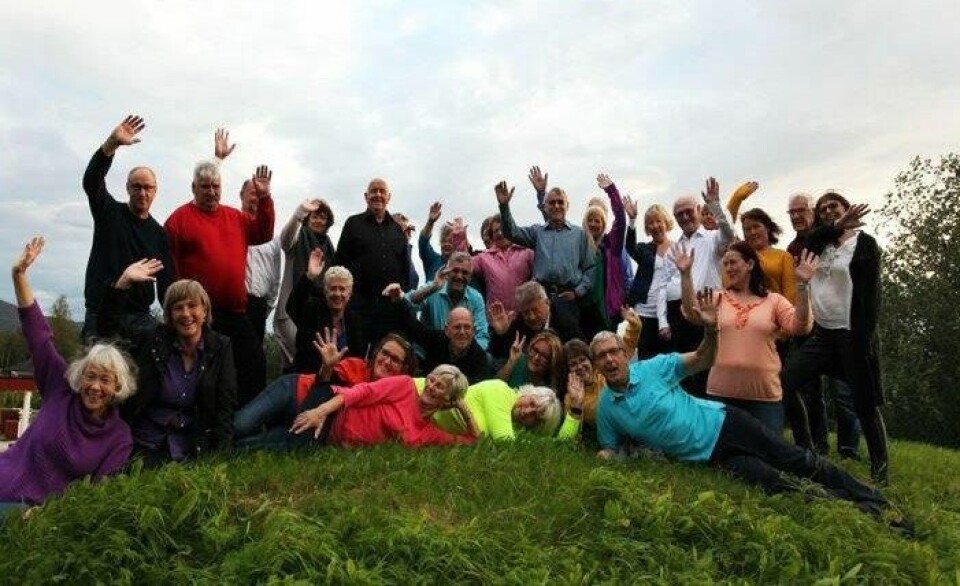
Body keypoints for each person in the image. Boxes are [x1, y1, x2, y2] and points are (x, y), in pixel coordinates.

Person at [591, 324, 909, 532]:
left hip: (726, 422)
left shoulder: (654, 368)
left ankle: (877, 502)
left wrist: (711, 330)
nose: (609, 360)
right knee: (780, 484)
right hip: (711, 458)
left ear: (624, 354)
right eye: (601, 357)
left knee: (797, 460)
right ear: (596, 366)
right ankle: (860, 513)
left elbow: (703, 358)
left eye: (613, 352)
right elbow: (611, 446)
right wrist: (605, 455)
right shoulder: (608, 407)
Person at [1, 238, 133, 517]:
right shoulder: (59, 388)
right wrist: (19, 274)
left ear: (118, 387)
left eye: (106, 380)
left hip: (30, 515)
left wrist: (49, 514)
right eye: (90, 376)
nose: (95, 386)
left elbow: (96, 496)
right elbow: (38, 334)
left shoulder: (119, 438)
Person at [780, 192, 890, 484]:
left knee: (864, 403)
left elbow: (871, 295)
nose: (828, 210)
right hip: (822, 335)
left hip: (852, 334)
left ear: (846, 206)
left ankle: (880, 472)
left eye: (834, 206)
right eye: (824, 208)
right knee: (783, 383)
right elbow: (810, 243)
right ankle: (807, 449)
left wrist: (864, 337)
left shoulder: (864, 244)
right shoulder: (819, 243)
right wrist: (836, 224)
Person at [99, 259, 237, 466]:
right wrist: (123, 283)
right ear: (170, 315)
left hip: (191, 447)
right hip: (143, 443)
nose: (186, 314)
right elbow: (108, 332)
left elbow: (225, 405)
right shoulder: (153, 339)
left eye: (192, 306)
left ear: (205, 310)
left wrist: (220, 461)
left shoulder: (220, 347)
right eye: (178, 308)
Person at [164, 153, 274, 406]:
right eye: (205, 187)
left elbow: (264, 232)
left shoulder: (235, 217)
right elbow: (170, 272)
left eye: (216, 187)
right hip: (200, 315)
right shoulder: (178, 221)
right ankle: (208, 425)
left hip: (236, 310)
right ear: (193, 188)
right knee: (208, 372)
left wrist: (265, 197)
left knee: (253, 360)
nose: (212, 192)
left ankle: (249, 420)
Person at [675, 241, 814, 434]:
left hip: (764, 399)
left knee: (768, 455)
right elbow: (691, 313)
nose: (728, 268)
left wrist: (802, 286)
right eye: (725, 264)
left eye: (733, 262)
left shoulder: (774, 300)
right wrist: (685, 274)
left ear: (749, 264)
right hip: (721, 396)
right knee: (726, 458)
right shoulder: (717, 298)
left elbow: (800, 327)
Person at [80, 114, 173, 340]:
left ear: (155, 191)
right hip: (100, 313)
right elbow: (92, 181)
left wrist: (175, 320)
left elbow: (166, 286)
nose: (142, 193)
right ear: (127, 188)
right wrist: (111, 144)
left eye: (148, 188)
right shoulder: (108, 212)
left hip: (140, 319)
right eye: (137, 187)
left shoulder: (159, 234)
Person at [237, 365, 477, 450]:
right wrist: (319, 412)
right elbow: (362, 391)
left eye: (440, 386)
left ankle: (215, 446)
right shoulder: (405, 387)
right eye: (432, 379)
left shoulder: (425, 432)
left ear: (448, 400)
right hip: (320, 403)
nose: (432, 386)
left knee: (277, 443)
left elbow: (472, 440)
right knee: (241, 424)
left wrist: (463, 409)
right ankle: (213, 441)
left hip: (327, 432)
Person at [786, 192, 861, 458]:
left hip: (842, 323)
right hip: (809, 322)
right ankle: (816, 444)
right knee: (809, 389)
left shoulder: (834, 238)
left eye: (800, 210)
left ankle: (848, 448)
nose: (795, 216)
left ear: (812, 212)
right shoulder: (795, 248)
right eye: (791, 212)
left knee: (844, 390)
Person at [496, 176, 594, 341]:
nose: (556, 206)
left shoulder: (580, 234)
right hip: (539, 297)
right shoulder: (537, 232)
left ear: (567, 205)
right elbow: (511, 232)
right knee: (537, 343)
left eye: (560, 202)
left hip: (567, 299)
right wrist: (504, 206)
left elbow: (590, 268)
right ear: (545, 207)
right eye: (552, 203)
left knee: (568, 343)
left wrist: (577, 292)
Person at [666, 178, 735, 395]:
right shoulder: (674, 247)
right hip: (682, 313)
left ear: (698, 209)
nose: (685, 217)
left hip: (710, 311)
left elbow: (729, 234)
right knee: (686, 369)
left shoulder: (712, 238)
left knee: (712, 367)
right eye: (679, 214)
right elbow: (668, 284)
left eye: (688, 211)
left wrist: (715, 205)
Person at [334, 178, 413, 344]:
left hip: (390, 311)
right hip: (358, 309)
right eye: (374, 191)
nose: (378, 195)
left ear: (388, 197)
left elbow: (404, 269)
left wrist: (400, 296)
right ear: (366, 196)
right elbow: (339, 264)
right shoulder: (353, 224)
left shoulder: (397, 230)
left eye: (382, 191)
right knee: (358, 359)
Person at [383, 282, 492, 383]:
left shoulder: (480, 358)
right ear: (446, 330)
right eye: (457, 327)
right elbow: (413, 327)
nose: (462, 332)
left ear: (474, 331)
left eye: (467, 327)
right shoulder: (436, 340)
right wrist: (398, 301)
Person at [275, 198, 337, 371]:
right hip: (291, 312)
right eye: (314, 216)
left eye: (322, 217)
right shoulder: (296, 241)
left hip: (318, 316)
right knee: (296, 360)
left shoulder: (330, 249)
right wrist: (300, 211)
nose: (318, 220)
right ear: (307, 219)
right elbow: (285, 238)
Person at [285, 249, 367, 374]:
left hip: (341, 385)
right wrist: (310, 276)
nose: (337, 294)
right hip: (309, 378)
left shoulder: (355, 321)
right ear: (325, 291)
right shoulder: (313, 310)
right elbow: (293, 306)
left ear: (349, 294)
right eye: (333, 288)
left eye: (342, 289)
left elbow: (358, 358)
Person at [405, 252, 490, 350]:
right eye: (455, 270)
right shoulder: (433, 288)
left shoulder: (476, 298)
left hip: (463, 355)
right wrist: (433, 287)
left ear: (470, 277)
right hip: (429, 353)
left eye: (465, 272)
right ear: (447, 272)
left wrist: (466, 355)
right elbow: (406, 304)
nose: (459, 276)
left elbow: (482, 337)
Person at [625, 201, 676, 358]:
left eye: (658, 221)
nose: (655, 226)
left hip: (668, 311)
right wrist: (632, 220)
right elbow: (629, 247)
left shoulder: (678, 247)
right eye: (650, 223)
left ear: (665, 222)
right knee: (646, 357)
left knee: (667, 356)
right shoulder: (644, 249)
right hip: (644, 312)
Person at [579, 173, 627, 336]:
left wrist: (611, 190)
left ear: (603, 223)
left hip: (607, 313)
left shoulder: (612, 245)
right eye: (590, 220)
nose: (593, 223)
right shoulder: (578, 245)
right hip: (583, 311)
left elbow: (620, 218)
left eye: (597, 220)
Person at [488, 281, 581, 359]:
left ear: (547, 303)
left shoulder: (565, 320)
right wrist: (501, 333)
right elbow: (498, 356)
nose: (531, 317)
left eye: (535, 310)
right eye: (526, 312)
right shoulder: (520, 320)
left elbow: (578, 354)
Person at [471, 213, 534, 313]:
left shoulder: (527, 252)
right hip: (496, 321)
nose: (500, 233)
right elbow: (465, 265)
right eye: (496, 231)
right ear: (492, 236)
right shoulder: (483, 257)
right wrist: (459, 243)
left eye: (503, 229)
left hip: (523, 317)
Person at [497, 331, 564, 398]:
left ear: (551, 362)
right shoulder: (518, 361)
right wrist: (511, 362)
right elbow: (494, 385)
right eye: (535, 350)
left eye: (544, 356)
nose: (536, 358)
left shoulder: (547, 391)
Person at [419, 202, 469, 281]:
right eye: (443, 240)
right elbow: (423, 242)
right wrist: (430, 222)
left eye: (450, 241)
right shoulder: (432, 259)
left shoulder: (465, 265)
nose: (446, 244)